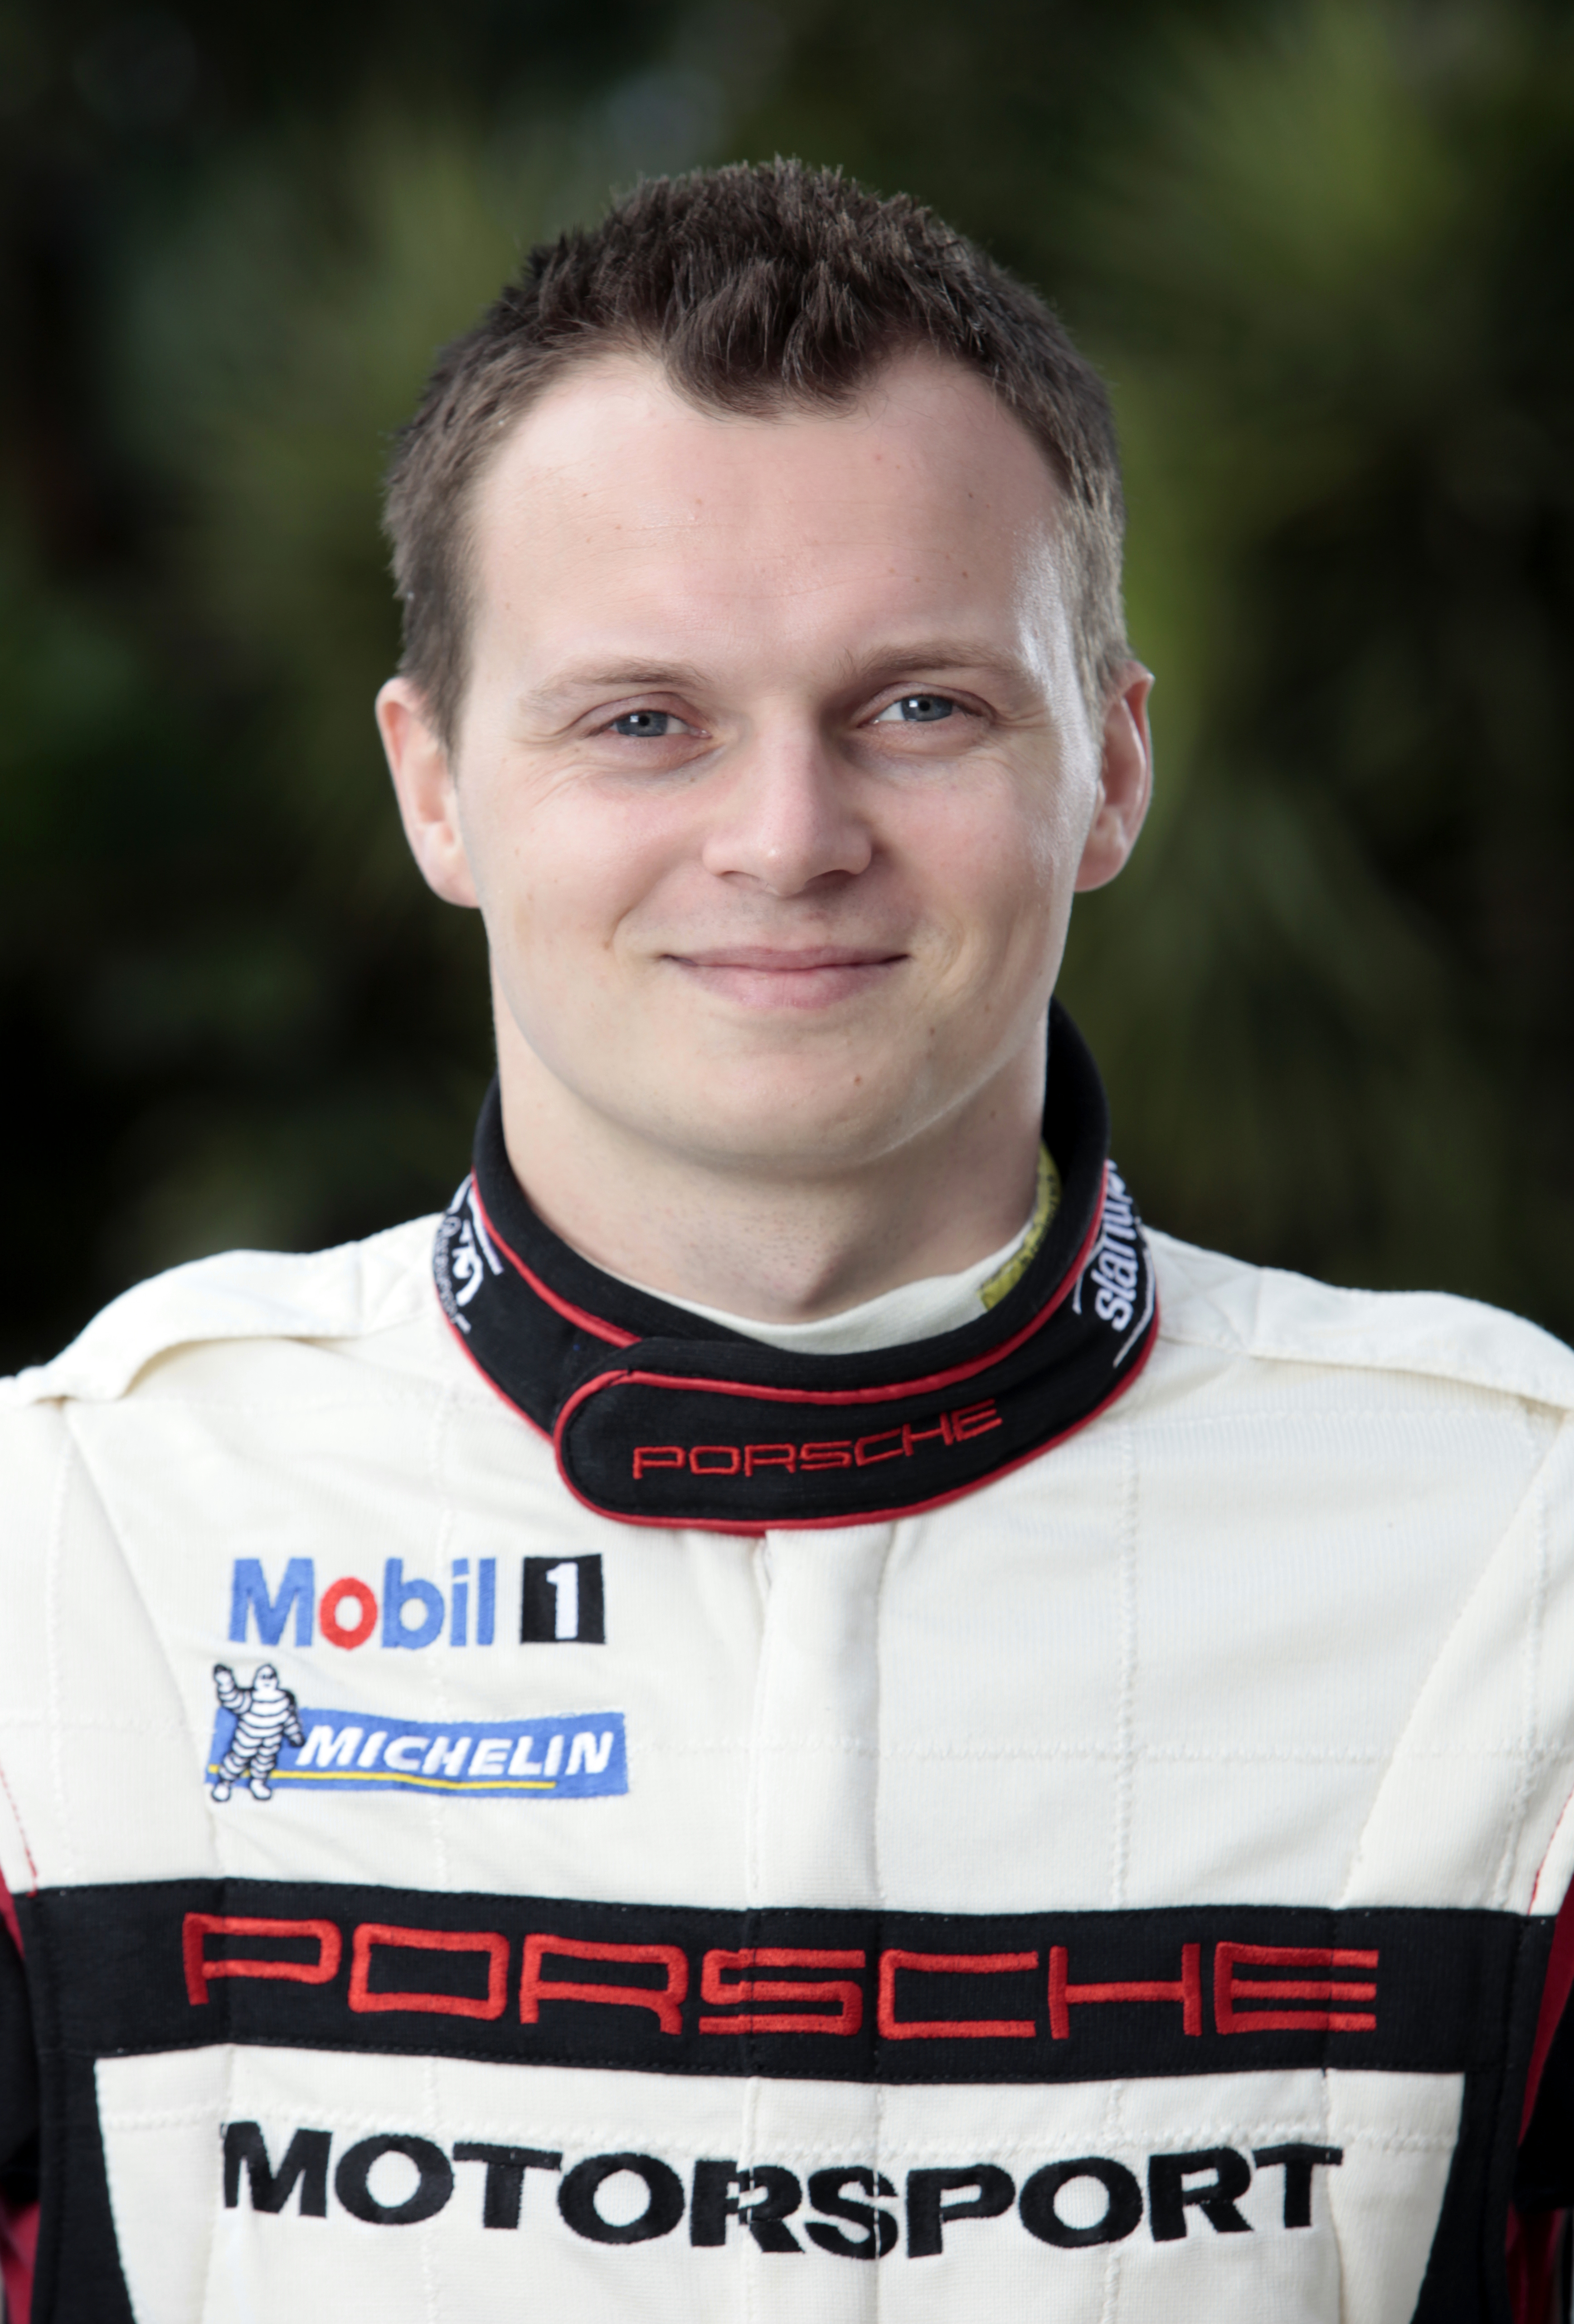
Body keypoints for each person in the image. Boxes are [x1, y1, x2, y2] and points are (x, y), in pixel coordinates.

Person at [1, 158, 1572, 2324]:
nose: (785, 837)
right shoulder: (75, 1544)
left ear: (1111, 768)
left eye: (919, 706)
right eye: (642, 719)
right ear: (434, 784)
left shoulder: (1514, 1551)